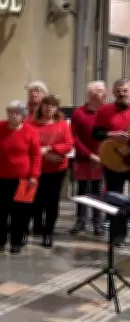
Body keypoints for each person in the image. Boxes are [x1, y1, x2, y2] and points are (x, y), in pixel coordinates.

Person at [0, 101, 41, 254]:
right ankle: (0, 241)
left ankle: (16, 241)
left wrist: (34, 176)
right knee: (0, 210)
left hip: (23, 179)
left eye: (16, 112)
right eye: (10, 112)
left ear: (23, 116)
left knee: (20, 212)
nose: (12, 115)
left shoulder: (30, 131)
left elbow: (36, 155)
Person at [27, 94, 74, 248]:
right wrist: (45, 156)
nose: (49, 108)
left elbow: (68, 145)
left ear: (56, 108)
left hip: (57, 170)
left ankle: (49, 233)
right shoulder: (31, 123)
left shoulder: (62, 124)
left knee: (52, 202)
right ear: (41, 106)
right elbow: (27, 145)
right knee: (35, 201)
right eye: (47, 105)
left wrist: (49, 148)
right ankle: (37, 227)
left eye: (53, 106)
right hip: (36, 169)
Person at [93, 78, 130, 247]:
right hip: (114, 162)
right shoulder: (105, 111)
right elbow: (96, 134)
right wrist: (112, 134)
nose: (122, 93)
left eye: (125, 90)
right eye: (119, 90)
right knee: (115, 199)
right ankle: (118, 236)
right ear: (113, 92)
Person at [70, 81, 108, 236]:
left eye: (104, 90)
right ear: (91, 94)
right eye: (100, 91)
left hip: (103, 159)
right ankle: (80, 221)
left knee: (98, 191)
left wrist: (103, 155)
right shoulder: (79, 113)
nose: (104, 93)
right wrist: (90, 155)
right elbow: (75, 138)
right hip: (84, 159)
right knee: (82, 191)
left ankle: (98, 223)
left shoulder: (106, 112)